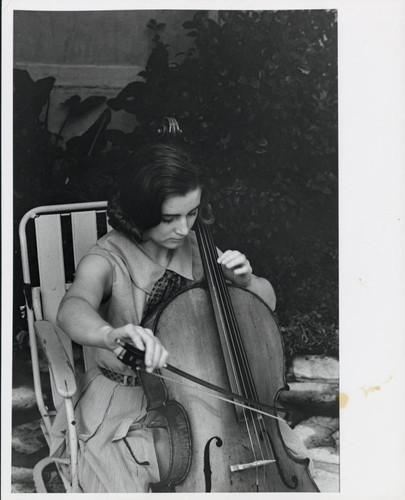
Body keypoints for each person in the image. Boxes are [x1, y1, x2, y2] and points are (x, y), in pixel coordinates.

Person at [53, 118, 311, 493]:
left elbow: (264, 306)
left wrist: (247, 282)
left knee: (279, 448)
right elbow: (72, 308)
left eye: (192, 213)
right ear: (139, 211)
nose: (184, 227)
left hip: (206, 391)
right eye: (169, 218)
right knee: (141, 462)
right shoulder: (108, 258)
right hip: (126, 396)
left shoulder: (196, 245)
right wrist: (111, 334)